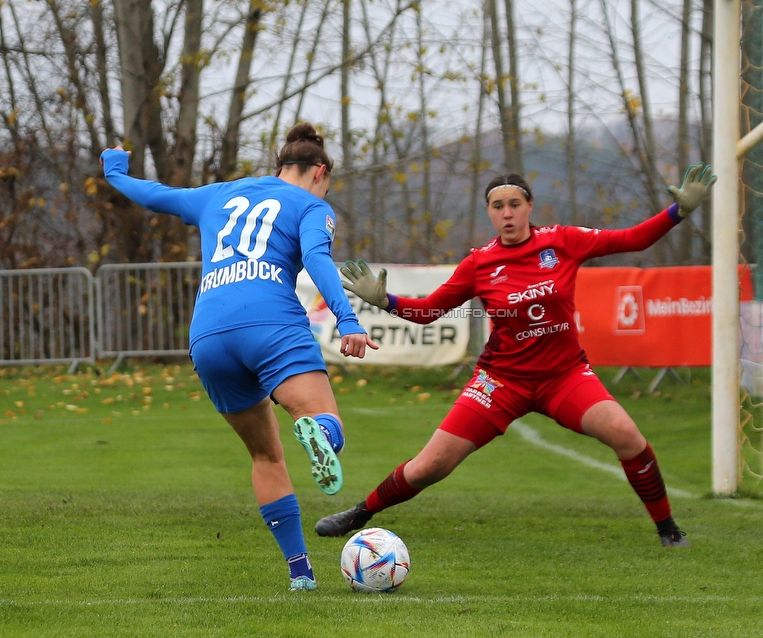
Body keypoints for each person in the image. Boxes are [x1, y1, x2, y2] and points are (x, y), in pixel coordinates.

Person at [315, 163, 717, 547]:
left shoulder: (563, 240)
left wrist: (679, 211)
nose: (507, 213)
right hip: (501, 382)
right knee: (429, 466)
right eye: (497, 206)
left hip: (564, 376)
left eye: (514, 204)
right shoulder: (480, 262)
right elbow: (430, 310)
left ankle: (669, 530)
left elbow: (634, 239)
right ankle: (359, 514)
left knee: (628, 436)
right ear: (489, 212)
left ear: (529, 207)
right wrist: (386, 300)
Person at [101, 123, 379, 591]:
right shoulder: (312, 205)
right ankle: (317, 431)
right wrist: (348, 321)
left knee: (265, 455)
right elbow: (315, 257)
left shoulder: (218, 194)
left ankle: (300, 574)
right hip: (269, 320)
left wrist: (114, 172)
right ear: (321, 172)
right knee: (325, 420)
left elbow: (153, 194)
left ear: (278, 167)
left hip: (208, 333)